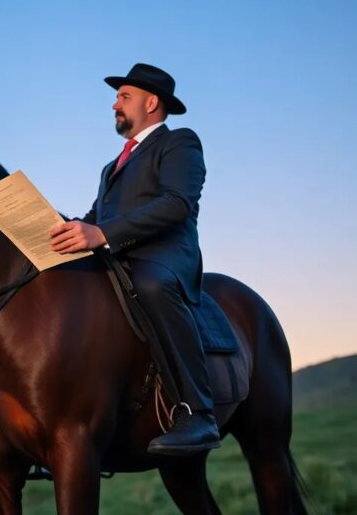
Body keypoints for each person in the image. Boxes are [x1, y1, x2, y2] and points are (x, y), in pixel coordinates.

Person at [48, 63, 220, 456]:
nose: (114, 105)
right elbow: (95, 219)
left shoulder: (180, 143)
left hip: (165, 258)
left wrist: (103, 234)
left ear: (152, 102)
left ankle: (198, 413)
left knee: (151, 285)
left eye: (123, 97)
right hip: (116, 256)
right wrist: (60, 227)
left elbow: (176, 204)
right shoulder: (112, 166)